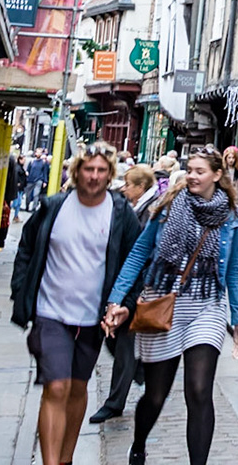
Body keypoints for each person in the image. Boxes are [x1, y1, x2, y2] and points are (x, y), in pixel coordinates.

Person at [103, 149, 238, 465]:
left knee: (199, 391)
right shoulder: (169, 208)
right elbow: (139, 254)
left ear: (217, 176)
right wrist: (116, 299)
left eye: (199, 171)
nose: (192, 176)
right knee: (155, 395)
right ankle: (139, 444)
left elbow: (235, 270)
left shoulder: (233, 218)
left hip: (206, 306)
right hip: (163, 303)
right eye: (190, 170)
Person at [11, 142, 138, 465]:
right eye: (88, 169)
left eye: (101, 170)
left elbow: (135, 262)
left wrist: (125, 304)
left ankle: (65, 459)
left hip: (92, 319)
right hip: (50, 312)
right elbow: (26, 249)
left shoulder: (121, 213)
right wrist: (20, 291)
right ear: (76, 171)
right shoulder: (54, 206)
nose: (94, 176)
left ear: (110, 175)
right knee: (56, 386)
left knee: (78, 388)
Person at [89, 165, 160, 425]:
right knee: (114, 340)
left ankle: (115, 401)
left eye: (129, 184)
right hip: (121, 284)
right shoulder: (132, 206)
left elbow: (141, 251)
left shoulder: (147, 209)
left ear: (141, 186)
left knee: (122, 344)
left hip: (134, 285)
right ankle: (139, 371)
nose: (124, 188)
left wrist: (130, 294)